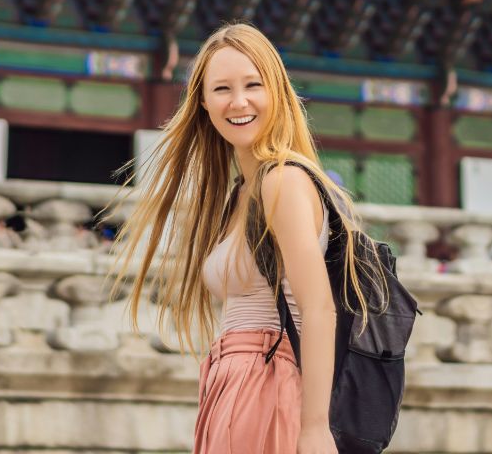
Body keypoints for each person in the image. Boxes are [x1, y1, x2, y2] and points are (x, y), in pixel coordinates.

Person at [110, 22, 385, 454]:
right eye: (222, 89)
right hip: (234, 381)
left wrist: (314, 428)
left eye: (253, 85)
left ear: (277, 91)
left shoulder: (283, 181)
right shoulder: (242, 191)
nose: (239, 102)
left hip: (271, 379)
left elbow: (317, 308)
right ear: (202, 102)